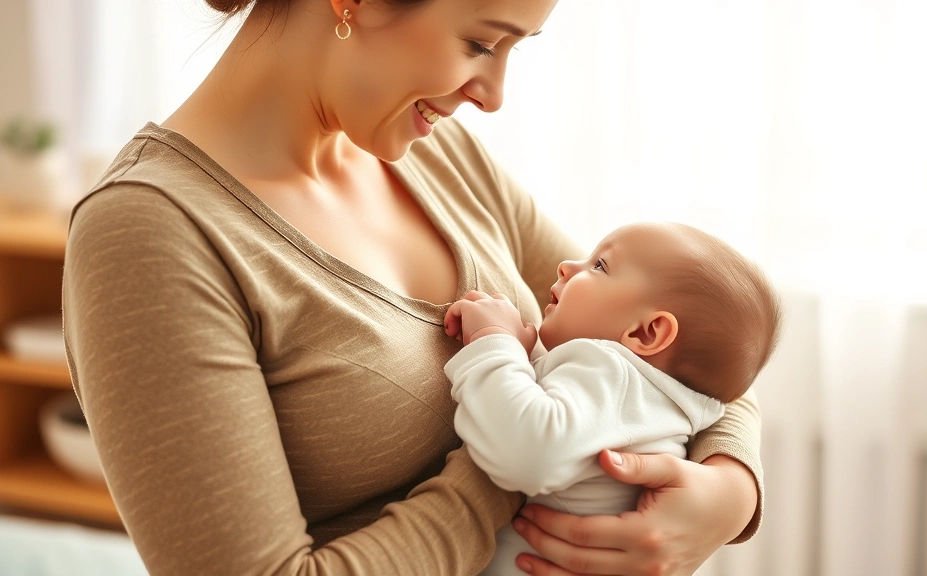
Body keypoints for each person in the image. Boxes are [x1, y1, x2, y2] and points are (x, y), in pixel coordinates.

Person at [61, 1, 766, 574]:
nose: (492, 96)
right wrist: (530, 454)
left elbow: (683, 331)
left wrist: (730, 490)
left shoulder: (435, 151)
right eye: (482, 45)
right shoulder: (152, 232)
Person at [442, 222, 781, 575]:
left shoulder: (612, 371)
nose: (566, 265)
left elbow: (528, 450)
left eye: (599, 265)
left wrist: (494, 339)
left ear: (646, 332)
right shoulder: (664, 400)